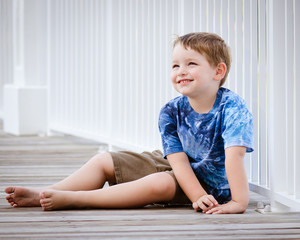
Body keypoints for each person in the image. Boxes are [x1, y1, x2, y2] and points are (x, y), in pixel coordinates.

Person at [5, 32, 253, 214]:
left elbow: (235, 157)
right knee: (104, 160)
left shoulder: (232, 108)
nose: (181, 71)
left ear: (218, 71)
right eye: (175, 65)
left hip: (209, 184)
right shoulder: (170, 110)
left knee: (159, 183)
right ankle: (46, 193)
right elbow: (176, 160)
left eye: (191, 64)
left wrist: (236, 202)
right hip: (178, 164)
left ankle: (77, 199)